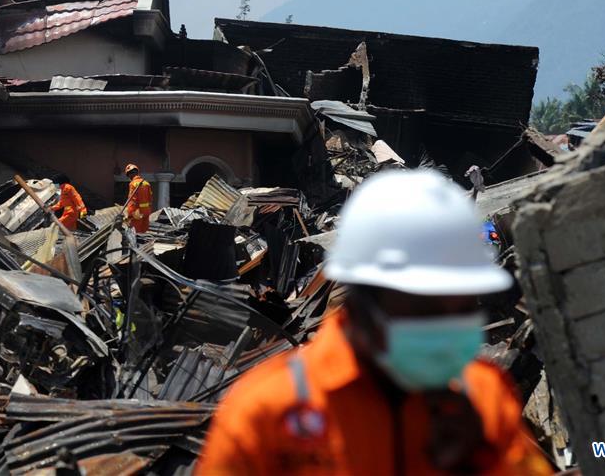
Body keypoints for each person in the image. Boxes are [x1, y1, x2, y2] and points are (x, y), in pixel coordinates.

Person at [197, 170, 553, 475]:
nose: (446, 325)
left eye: (460, 306)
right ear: (366, 296)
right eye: (426, 305)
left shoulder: (483, 401)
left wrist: (479, 460)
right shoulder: (268, 410)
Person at [124, 163, 153, 233]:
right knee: (144, 231)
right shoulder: (146, 183)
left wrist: (130, 215)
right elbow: (150, 198)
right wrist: (148, 209)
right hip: (146, 211)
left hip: (137, 212)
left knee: (136, 232)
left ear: (130, 174)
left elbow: (132, 201)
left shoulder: (133, 184)